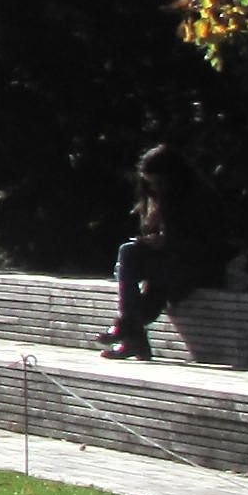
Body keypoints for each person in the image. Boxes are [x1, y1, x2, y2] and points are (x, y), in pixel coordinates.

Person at [105, 141, 209, 362]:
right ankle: (131, 333)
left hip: (193, 267)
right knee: (130, 253)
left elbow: (204, 243)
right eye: (149, 184)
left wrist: (166, 241)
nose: (153, 188)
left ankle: (129, 332)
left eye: (157, 183)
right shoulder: (154, 198)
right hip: (167, 265)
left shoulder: (196, 197)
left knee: (131, 258)